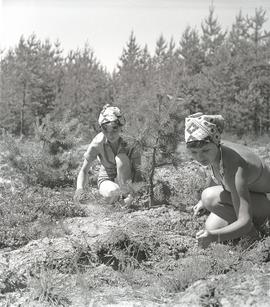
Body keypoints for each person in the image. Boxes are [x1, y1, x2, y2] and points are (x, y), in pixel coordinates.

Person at [184, 112, 270, 248]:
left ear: (216, 143)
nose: (200, 157)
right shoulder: (216, 149)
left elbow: (245, 221)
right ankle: (243, 231)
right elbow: (215, 172)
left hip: (266, 203)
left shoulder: (234, 167)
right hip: (253, 196)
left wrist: (214, 237)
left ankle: (254, 237)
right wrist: (201, 203)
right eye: (194, 152)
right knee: (211, 225)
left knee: (209, 197)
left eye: (205, 151)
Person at [74, 104, 142, 204]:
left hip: (129, 181)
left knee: (121, 158)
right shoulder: (98, 142)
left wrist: (134, 193)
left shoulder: (131, 142)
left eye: (114, 128)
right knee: (112, 193)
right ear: (101, 128)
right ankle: (113, 199)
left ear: (121, 127)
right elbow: (84, 170)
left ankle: (126, 196)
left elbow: (138, 170)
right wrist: (79, 190)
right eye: (105, 129)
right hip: (107, 179)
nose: (110, 134)